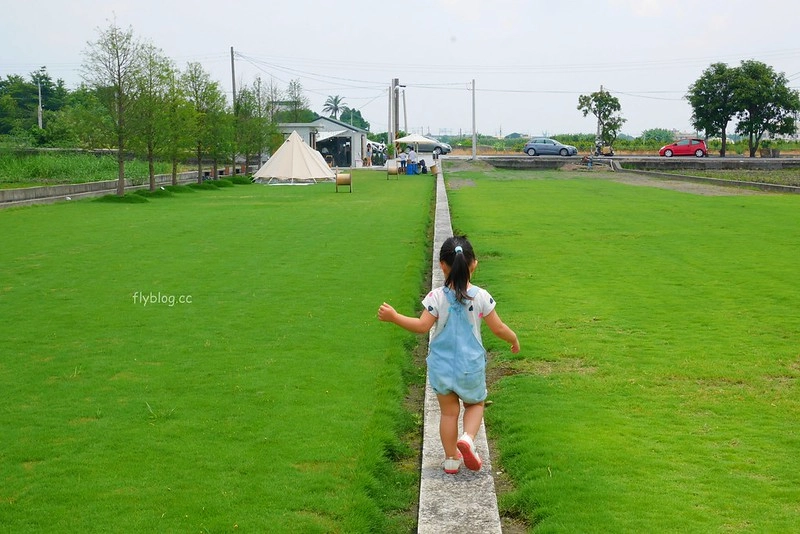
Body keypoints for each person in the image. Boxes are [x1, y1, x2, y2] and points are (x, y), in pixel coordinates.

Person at [378, 236, 520, 474]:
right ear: (473, 264)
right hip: (470, 366)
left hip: (441, 368)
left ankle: (451, 459)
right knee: (475, 404)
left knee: (448, 413)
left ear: (442, 265)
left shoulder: (436, 297)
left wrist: (394, 317)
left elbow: (422, 326)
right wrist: (513, 339)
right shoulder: (481, 296)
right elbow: (498, 328)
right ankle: (467, 438)